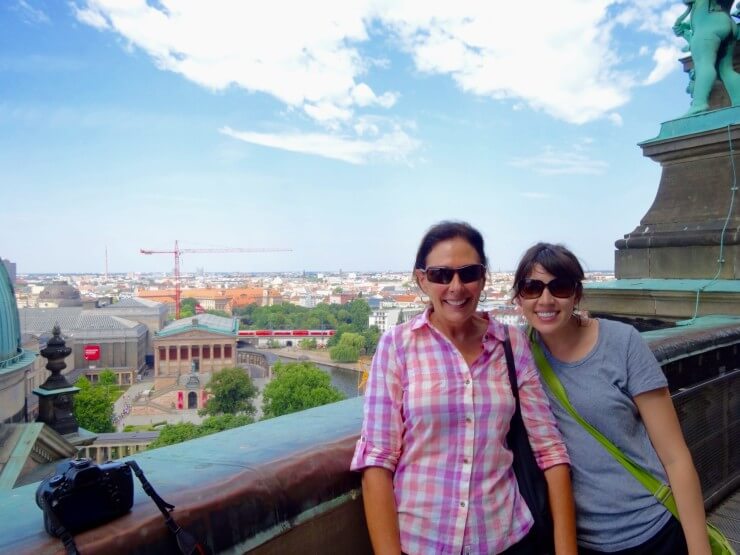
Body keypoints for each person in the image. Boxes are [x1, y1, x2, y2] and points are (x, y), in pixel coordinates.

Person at [351, 222, 577, 555]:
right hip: (423, 543)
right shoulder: (397, 345)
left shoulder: (510, 343)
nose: (456, 287)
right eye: (442, 275)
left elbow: (549, 449)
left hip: (508, 538)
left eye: (468, 273)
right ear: (422, 280)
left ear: (483, 279)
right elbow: (377, 462)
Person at [512, 243, 711, 555]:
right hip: (576, 540)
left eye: (560, 287)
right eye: (532, 287)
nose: (546, 299)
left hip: (652, 529)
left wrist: (700, 549)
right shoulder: (517, 357)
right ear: (518, 297)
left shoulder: (622, 343)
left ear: (576, 295)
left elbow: (675, 456)